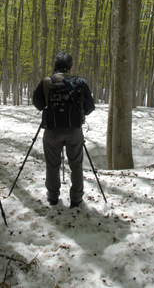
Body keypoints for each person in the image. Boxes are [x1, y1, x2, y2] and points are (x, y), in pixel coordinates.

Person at [33, 52, 95, 208]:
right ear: (71, 67)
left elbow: (37, 102)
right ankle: (76, 198)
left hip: (52, 130)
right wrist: (79, 115)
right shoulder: (80, 83)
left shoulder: (46, 82)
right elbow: (90, 106)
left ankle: (53, 195)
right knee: (76, 164)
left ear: (54, 67)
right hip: (74, 130)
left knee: (52, 164)